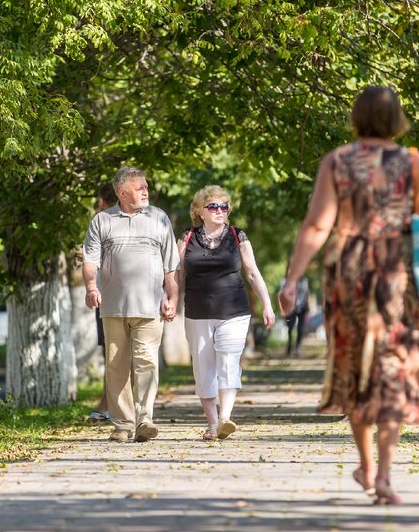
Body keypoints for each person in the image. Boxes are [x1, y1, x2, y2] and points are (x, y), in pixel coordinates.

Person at [277, 86, 419, 505]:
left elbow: (317, 225)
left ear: (356, 118)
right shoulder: (413, 162)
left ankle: (366, 467)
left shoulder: (338, 161)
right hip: (396, 276)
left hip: (348, 274)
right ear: (397, 119)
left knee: (356, 365)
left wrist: (291, 279)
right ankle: (384, 472)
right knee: (391, 367)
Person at [83, 166, 180, 444]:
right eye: (140, 188)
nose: (146, 191)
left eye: (146, 186)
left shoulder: (159, 217)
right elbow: (90, 260)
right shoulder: (102, 221)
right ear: (123, 193)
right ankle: (122, 425)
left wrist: (172, 297)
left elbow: (171, 265)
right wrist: (91, 287)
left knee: (147, 362)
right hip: (112, 307)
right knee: (116, 366)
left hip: (150, 308)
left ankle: (144, 418)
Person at [178, 186, 275, 441]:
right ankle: (211, 423)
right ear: (200, 211)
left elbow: (252, 272)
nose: (220, 210)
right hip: (197, 312)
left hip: (234, 310)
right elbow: (177, 274)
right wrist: (169, 300)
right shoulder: (187, 237)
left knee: (229, 361)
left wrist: (267, 303)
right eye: (213, 206)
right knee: (203, 368)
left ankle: (225, 418)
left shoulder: (237, 235)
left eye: (224, 206)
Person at [87, 182, 120, 424]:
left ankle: (109, 404)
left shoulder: (102, 221)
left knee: (112, 352)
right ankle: (112, 402)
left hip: (108, 296)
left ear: (101, 200)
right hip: (117, 295)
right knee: (117, 352)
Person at [280, 275, 310, 356]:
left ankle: (298, 348)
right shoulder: (286, 280)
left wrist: (308, 309)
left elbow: (307, 294)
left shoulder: (304, 280)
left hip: (302, 307)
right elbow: (281, 295)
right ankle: (289, 347)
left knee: (300, 329)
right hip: (290, 308)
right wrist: (283, 309)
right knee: (290, 328)